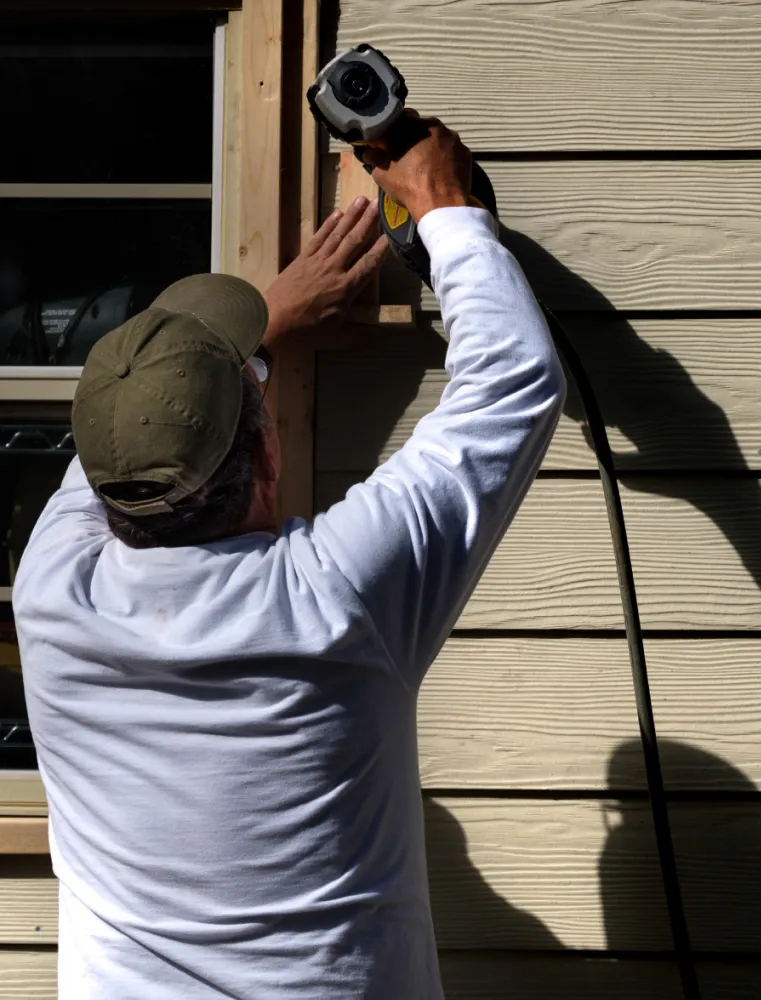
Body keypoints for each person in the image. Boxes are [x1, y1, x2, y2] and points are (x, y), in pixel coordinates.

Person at [13, 117, 566, 999]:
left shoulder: (48, 586)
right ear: (268, 457)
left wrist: (262, 326)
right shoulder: (334, 598)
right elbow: (513, 383)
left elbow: (133, 438)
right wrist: (447, 209)